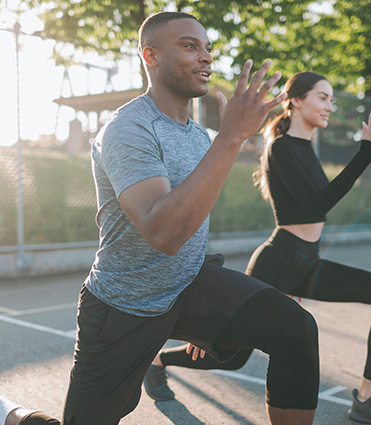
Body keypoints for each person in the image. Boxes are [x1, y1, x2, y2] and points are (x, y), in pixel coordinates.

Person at [0, 12, 321, 425]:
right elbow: (164, 232)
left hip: (188, 285)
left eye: (207, 48)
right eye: (190, 46)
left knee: (295, 329)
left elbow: (192, 220)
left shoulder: (195, 134)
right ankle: (15, 415)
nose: (205, 57)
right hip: (124, 305)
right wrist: (231, 137)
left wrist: (211, 314)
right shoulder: (127, 129)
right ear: (150, 56)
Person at [145, 71, 371, 425]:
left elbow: (318, 205)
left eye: (332, 99)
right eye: (322, 97)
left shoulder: (305, 148)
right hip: (280, 261)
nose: (329, 106)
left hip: (308, 262)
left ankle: (367, 398)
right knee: (227, 354)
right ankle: (157, 361)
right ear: (296, 100)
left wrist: (367, 152)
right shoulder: (282, 147)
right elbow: (317, 205)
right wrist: (366, 152)